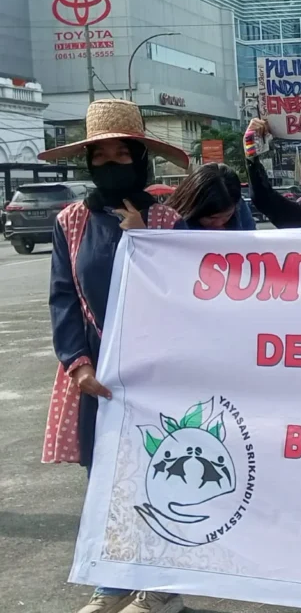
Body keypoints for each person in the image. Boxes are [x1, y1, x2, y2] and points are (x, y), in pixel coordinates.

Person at [38, 99, 188, 613]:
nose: (110, 165)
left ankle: (162, 586)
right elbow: (63, 296)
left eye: (121, 155)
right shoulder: (70, 221)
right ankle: (113, 584)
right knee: (105, 476)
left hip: (157, 370)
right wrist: (77, 362)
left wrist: (142, 237)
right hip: (96, 370)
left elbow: (183, 296)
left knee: (161, 474)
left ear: (140, 158)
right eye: (99, 157)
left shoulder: (168, 221)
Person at [167, 163, 256, 230]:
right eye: (211, 218)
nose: (219, 224)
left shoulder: (240, 208)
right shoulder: (170, 220)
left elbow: (250, 240)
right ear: (192, 208)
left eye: (227, 215)